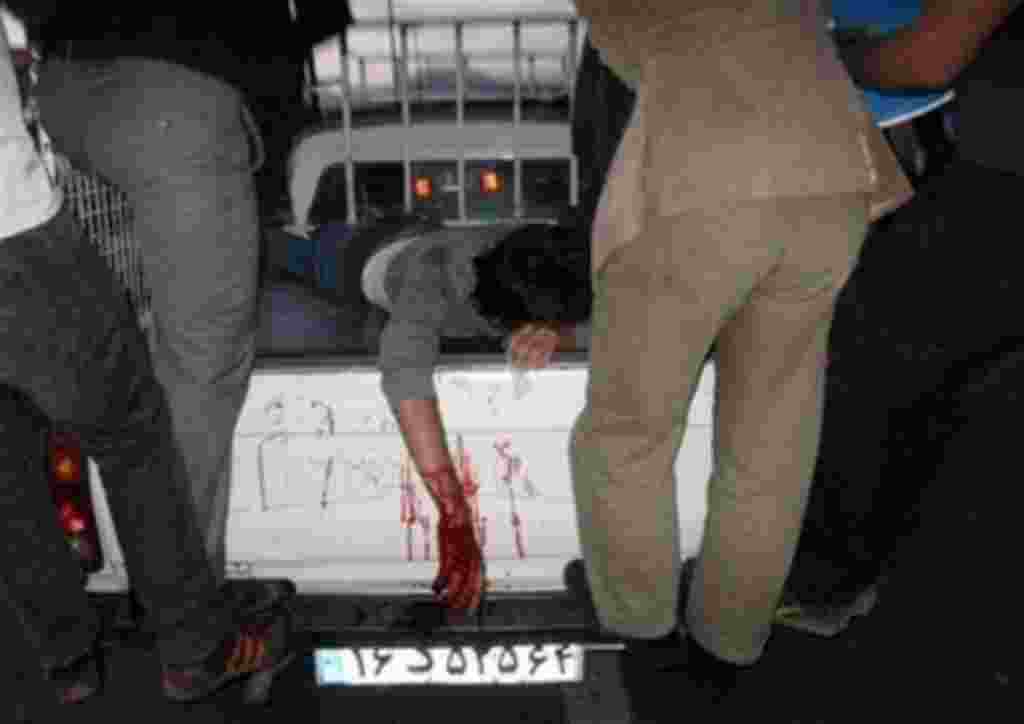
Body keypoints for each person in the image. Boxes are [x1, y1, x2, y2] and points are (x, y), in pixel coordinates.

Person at [565, 1, 913, 718]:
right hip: (830, 179)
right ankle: (727, 641)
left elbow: (623, 66)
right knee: (771, 440)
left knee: (629, 432)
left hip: (704, 179)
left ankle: (643, 625)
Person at [0, 20, 294, 711]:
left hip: (76, 89)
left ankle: (65, 657)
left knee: (6, 453)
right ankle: (196, 646)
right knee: (134, 430)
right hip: (14, 238)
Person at [3, 0, 348, 577]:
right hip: (176, 95)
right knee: (203, 362)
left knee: (165, 327)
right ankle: (192, 606)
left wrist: (67, 24)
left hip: (71, 90)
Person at [778, 0, 1024, 637]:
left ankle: (823, 581)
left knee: (869, 350)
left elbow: (923, 62)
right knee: (927, 371)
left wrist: (832, 54)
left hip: (1003, 195)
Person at [366, 221, 591, 610]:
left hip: (463, 250)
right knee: (315, 253)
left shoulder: (565, 259)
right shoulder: (431, 276)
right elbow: (405, 375)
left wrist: (563, 336)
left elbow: (624, 320)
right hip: (380, 255)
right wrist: (454, 514)